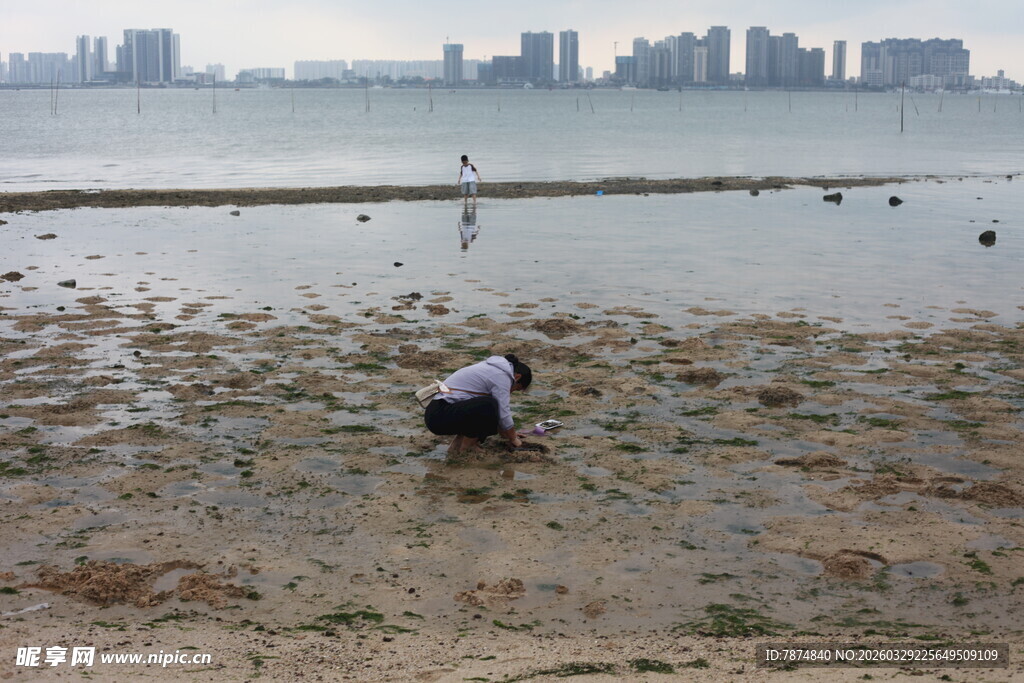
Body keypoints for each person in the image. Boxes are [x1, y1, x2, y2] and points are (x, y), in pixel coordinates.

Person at [424, 354, 532, 456]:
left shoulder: (490, 368)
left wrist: (508, 433)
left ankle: (456, 448)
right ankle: (467, 449)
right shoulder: (501, 376)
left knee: (488, 409)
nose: (511, 392)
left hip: (436, 412)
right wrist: (513, 439)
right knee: (489, 404)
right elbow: (503, 411)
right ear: (517, 377)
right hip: (440, 415)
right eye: (516, 389)